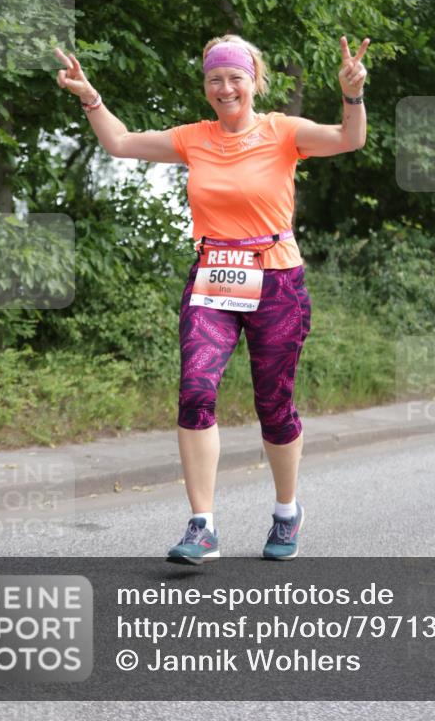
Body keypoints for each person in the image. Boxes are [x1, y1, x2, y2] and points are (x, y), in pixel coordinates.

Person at [54, 32, 368, 563]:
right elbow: (121, 143)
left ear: (254, 82)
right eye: (215, 79)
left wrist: (352, 95)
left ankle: (287, 511)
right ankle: (202, 526)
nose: (225, 88)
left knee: (274, 404)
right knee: (196, 389)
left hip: (276, 281)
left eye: (235, 78)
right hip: (213, 277)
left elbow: (348, 138)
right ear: (206, 87)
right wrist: (90, 97)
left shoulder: (283, 131)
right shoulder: (192, 138)